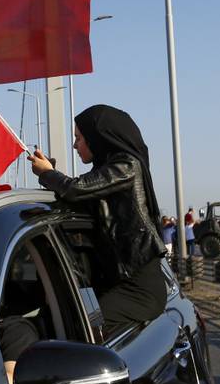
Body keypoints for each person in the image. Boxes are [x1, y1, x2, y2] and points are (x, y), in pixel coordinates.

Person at [28, 104, 167, 334]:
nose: (75, 145)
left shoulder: (126, 165)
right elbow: (74, 198)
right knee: (59, 321)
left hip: (138, 288)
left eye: (79, 138)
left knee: (81, 328)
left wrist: (46, 173)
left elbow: (76, 189)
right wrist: (51, 173)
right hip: (115, 282)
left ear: (96, 137)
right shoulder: (106, 170)